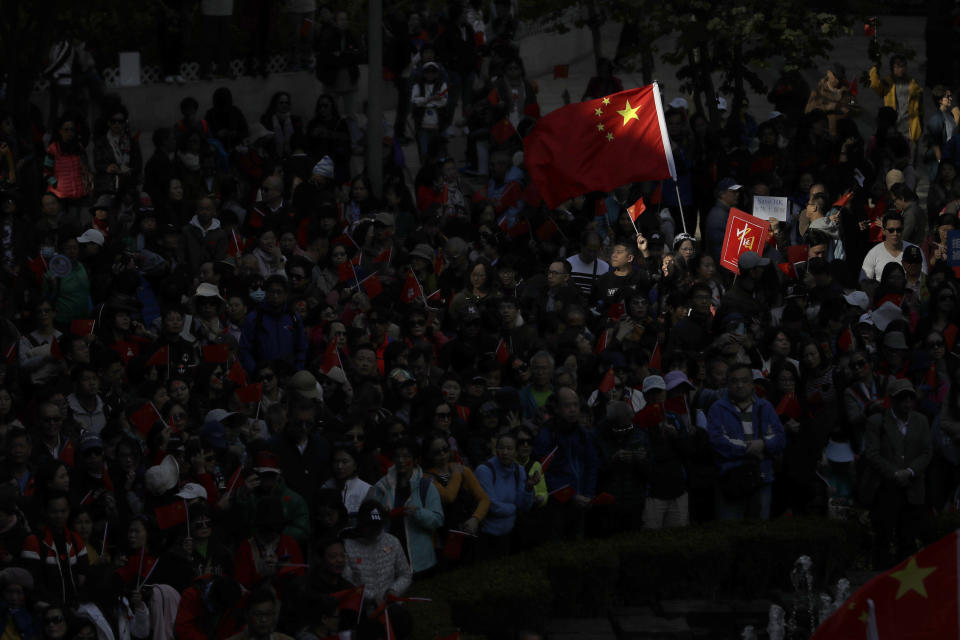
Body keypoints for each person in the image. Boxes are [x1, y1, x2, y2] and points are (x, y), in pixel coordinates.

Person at [860, 378, 932, 567]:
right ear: (892, 399)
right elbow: (872, 454)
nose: (907, 402)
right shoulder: (877, 422)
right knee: (883, 538)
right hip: (886, 489)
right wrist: (894, 473)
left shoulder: (921, 421)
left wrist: (909, 471)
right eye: (903, 398)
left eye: (910, 398)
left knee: (908, 540)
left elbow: (926, 452)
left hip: (913, 489)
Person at [706, 363, 786, 520]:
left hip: (762, 477)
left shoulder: (765, 407)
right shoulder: (718, 409)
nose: (740, 385)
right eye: (734, 381)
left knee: (760, 533)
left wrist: (763, 444)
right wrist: (750, 449)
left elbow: (780, 438)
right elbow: (717, 442)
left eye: (744, 380)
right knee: (730, 532)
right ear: (727, 383)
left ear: (752, 383)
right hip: (731, 478)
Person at [474, 431, 536, 557]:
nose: (505, 452)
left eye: (509, 448)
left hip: (510, 534)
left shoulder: (519, 470)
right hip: (486, 535)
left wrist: (529, 489)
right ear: (496, 449)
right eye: (501, 448)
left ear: (516, 452)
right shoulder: (484, 471)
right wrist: (514, 507)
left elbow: (524, 506)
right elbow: (491, 506)